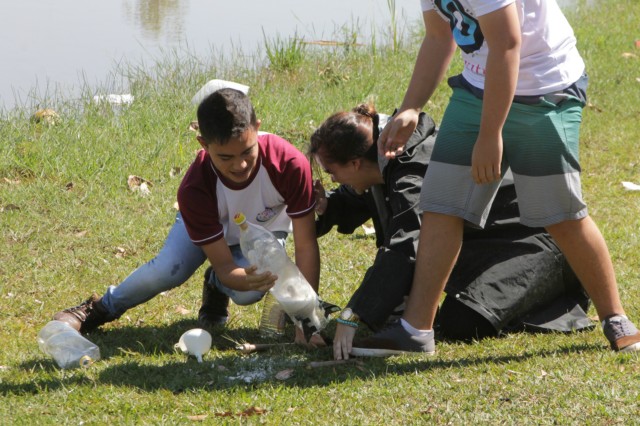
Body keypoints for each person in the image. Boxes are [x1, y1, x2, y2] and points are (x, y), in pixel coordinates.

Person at [352, 0, 640, 356]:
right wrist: (412, 105)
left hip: (544, 88)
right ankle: (415, 330)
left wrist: (491, 136)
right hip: (478, 88)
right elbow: (439, 36)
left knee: (560, 215)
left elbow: (507, 43)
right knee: (442, 204)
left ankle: (615, 316)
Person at [309, 102, 593, 360]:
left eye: (333, 172)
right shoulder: (387, 153)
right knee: (452, 317)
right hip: (487, 245)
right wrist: (327, 205)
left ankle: (555, 296)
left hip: (534, 246)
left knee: (463, 323)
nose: (334, 179)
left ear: (356, 163)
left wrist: (353, 315)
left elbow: (407, 242)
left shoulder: (412, 169)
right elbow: (368, 195)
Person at [54, 88, 325, 345]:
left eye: (247, 152)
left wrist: (306, 315)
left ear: (257, 128)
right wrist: (229, 273)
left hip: (261, 234)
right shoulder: (195, 187)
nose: (240, 165)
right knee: (167, 270)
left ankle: (216, 287)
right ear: (203, 144)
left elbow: (305, 245)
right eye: (226, 157)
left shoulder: (289, 163)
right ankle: (99, 308)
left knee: (252, 290)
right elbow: (226, 266)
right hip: (208, 230)